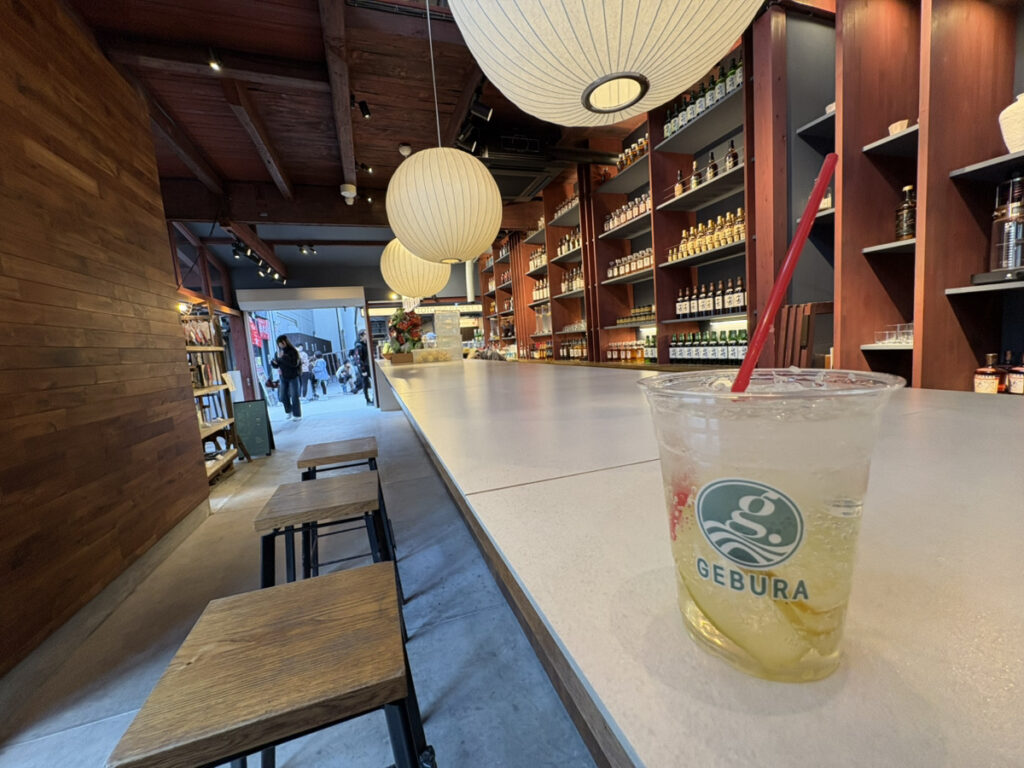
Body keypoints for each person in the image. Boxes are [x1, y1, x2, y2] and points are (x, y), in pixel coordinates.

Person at [270, 335, 302, 421]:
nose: (280, 344)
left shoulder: (293, 351)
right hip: (283, 377)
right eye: (279, 343)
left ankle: (297, 415)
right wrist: (273, 362)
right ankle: (289, 411)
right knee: (283, 396)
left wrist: (282, 358)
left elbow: (294, 364)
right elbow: (276, 365)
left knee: (294, 396)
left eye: (282, 342)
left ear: (286, 342)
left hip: (293, 376)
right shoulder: (278, 352)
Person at [353, 330, 372, 406]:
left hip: (366, 366)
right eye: (366, 334)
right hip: (364, 367)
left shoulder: (364, 344)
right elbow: (358, 360)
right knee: (365, 383)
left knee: (367, 382)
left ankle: (371, 399)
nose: (367, 336)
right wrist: (363, 370)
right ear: (361, 336)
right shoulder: (359, 346)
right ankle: (367, 400)